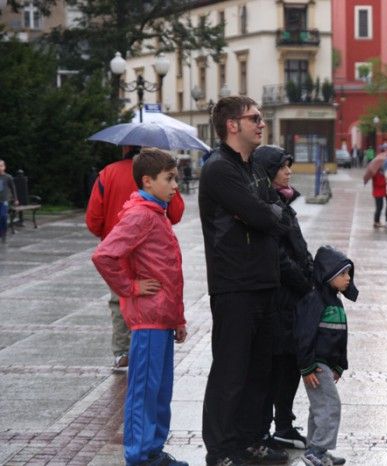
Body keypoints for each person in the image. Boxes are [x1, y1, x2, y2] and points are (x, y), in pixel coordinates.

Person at [199, 96, 288, 466]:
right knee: (231, 372)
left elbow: (279, 213)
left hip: (264, 281)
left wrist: (265, 211)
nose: (261, 123)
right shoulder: (219, 169)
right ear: (232, 125)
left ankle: (251, 440)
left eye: (261, 118)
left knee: (259, 371)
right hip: (234, 284)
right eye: (254, 118)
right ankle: (220, 450)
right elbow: (263, 215)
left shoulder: (253, 168)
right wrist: (264, 212)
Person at [91, 148, 188, 466]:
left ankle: (153, 450)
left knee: (160, 391)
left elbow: (169, 272)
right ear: (147, 181)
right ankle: (139, 455)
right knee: (144, 391)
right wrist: (130, 288)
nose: (175, 185)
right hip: (148, 320)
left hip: (162, 319)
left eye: (176, 178)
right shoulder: (140, 215)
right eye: (169, 179)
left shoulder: (157, 213)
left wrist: (178, 319)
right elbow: (104, 255)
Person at [86, 145, 185, 369]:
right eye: (170, 179)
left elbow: (93, 218)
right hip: (142, 285)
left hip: (123, 256)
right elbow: (177, 213)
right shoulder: (147, 208)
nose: (174, 185)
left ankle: (122, 351)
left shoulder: (108, 173)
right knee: (147, 376)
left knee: (118, 303)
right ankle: (126, 351)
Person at [253, 145, 314, 451]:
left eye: (289, 165)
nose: (289, 171)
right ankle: (275, 428)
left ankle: (284, 425)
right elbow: (277, 254)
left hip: (291, 296)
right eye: (282, 167)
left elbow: (297, 247)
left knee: (289, 362)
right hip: (280, 297)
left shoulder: (282, 201)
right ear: (268, 171)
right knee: (280, 364)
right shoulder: (267, 205)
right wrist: (304, 283)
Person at [295, 245, 359, 466]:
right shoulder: (316, 301)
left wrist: (340, 365)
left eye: (349, 273)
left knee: (319, 408)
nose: (348, 278)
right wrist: (307, 367)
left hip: (326, 366)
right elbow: (304, 335)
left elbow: (340, 337)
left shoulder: (335, 302)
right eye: (342, 273)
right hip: (316, 365)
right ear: (328, 274)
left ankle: (316, 449)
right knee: (330, 407)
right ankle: (317, 450)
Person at [0, 159, 19, 243]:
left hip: (4, 200)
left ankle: (3, 233)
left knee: (3, 217)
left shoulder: (8, 177)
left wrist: (15, 199)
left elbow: (13, 188)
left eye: (1, 166)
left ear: (4, 167)